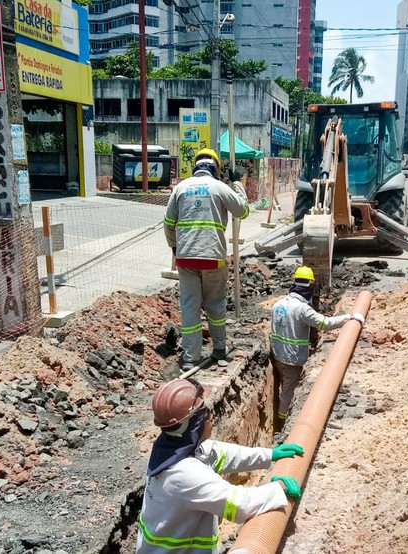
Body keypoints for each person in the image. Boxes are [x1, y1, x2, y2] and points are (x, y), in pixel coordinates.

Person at [137, 378, 303, 553]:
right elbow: (240, 506)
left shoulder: (168, 449)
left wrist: (269, 455)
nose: (212, 417)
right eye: (206, 414)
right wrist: (278, 488)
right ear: (195, 424)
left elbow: (222, 453)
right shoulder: (185, 475)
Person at [164, 148, 249, 372]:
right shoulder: (219, 187)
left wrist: (175, 247)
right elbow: (243, 210)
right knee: (215, 304)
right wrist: (237, 183)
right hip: (212, 258)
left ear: (195, 166)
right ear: (215, 169)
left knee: (190, 307)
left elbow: (168, 222)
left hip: (185, 258)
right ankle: (219, 349)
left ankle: (190, 358)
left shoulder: (180, 187)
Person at [270, 266, 365, 430]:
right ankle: (283, 427)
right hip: (293, 360)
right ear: (310, 285)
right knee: (288, 395)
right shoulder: (302, 308)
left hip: (277, 356)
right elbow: (324, 323)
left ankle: (280, 422)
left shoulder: (279, 303)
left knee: (283, 392)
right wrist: (349, 317)